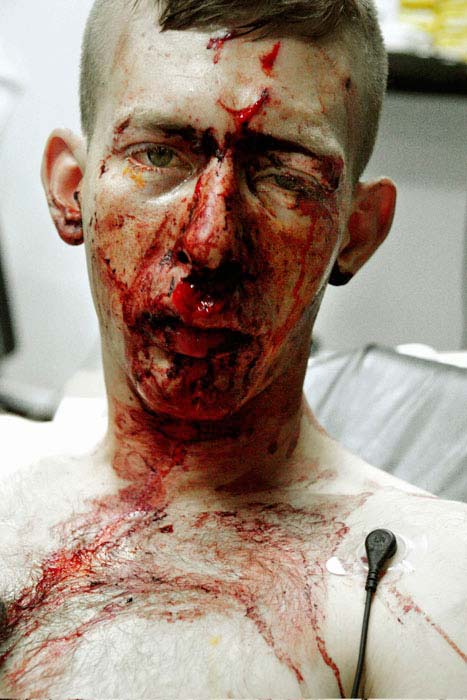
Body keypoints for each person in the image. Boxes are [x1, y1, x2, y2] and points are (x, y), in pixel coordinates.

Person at [0, 0, 466, 696]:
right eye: (159, 154)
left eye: (286, 177)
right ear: (72, 190)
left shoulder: (421, 590)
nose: (209, 243)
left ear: (357, 232)